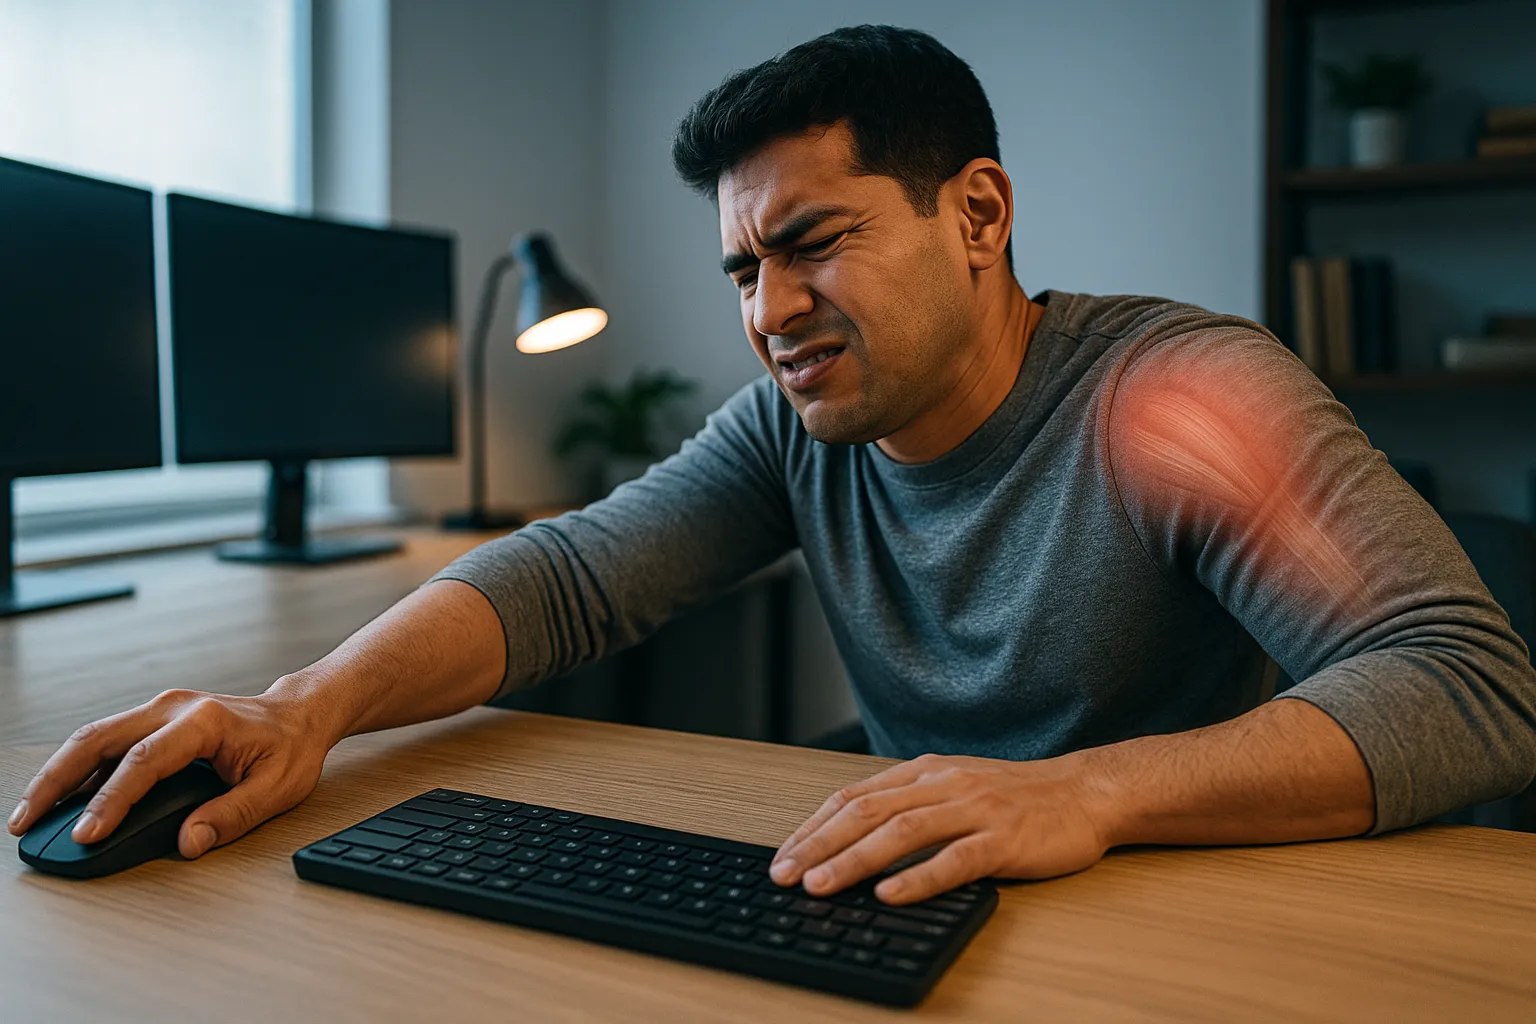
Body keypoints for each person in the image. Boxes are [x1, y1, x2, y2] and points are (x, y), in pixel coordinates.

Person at [10, 25, 1535, 907]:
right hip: (929, 897)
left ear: (980, 215)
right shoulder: (805, 428)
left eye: (816, 242)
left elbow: (1470, 686)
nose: (769, 313)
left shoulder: (1181, 397)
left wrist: (1088, 794)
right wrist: (302, 711)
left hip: (1176, 901)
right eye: (744, 267)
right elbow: (566, 577)